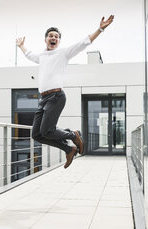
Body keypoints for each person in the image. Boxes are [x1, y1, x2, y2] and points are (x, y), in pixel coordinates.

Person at [16, 15, 114, 168]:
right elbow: (29, 54)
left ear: (58, 41)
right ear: (45, 39)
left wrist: (100, 29)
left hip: (56, 96)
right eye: (50, 36)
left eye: (56, 36)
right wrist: (21, 46)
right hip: (43, 99)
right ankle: (69, 148)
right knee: (37, 134)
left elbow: (83, 43)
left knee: (47, 131)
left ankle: (72, 135)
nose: (53, 38)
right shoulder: (41, 56)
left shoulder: (63, 53)